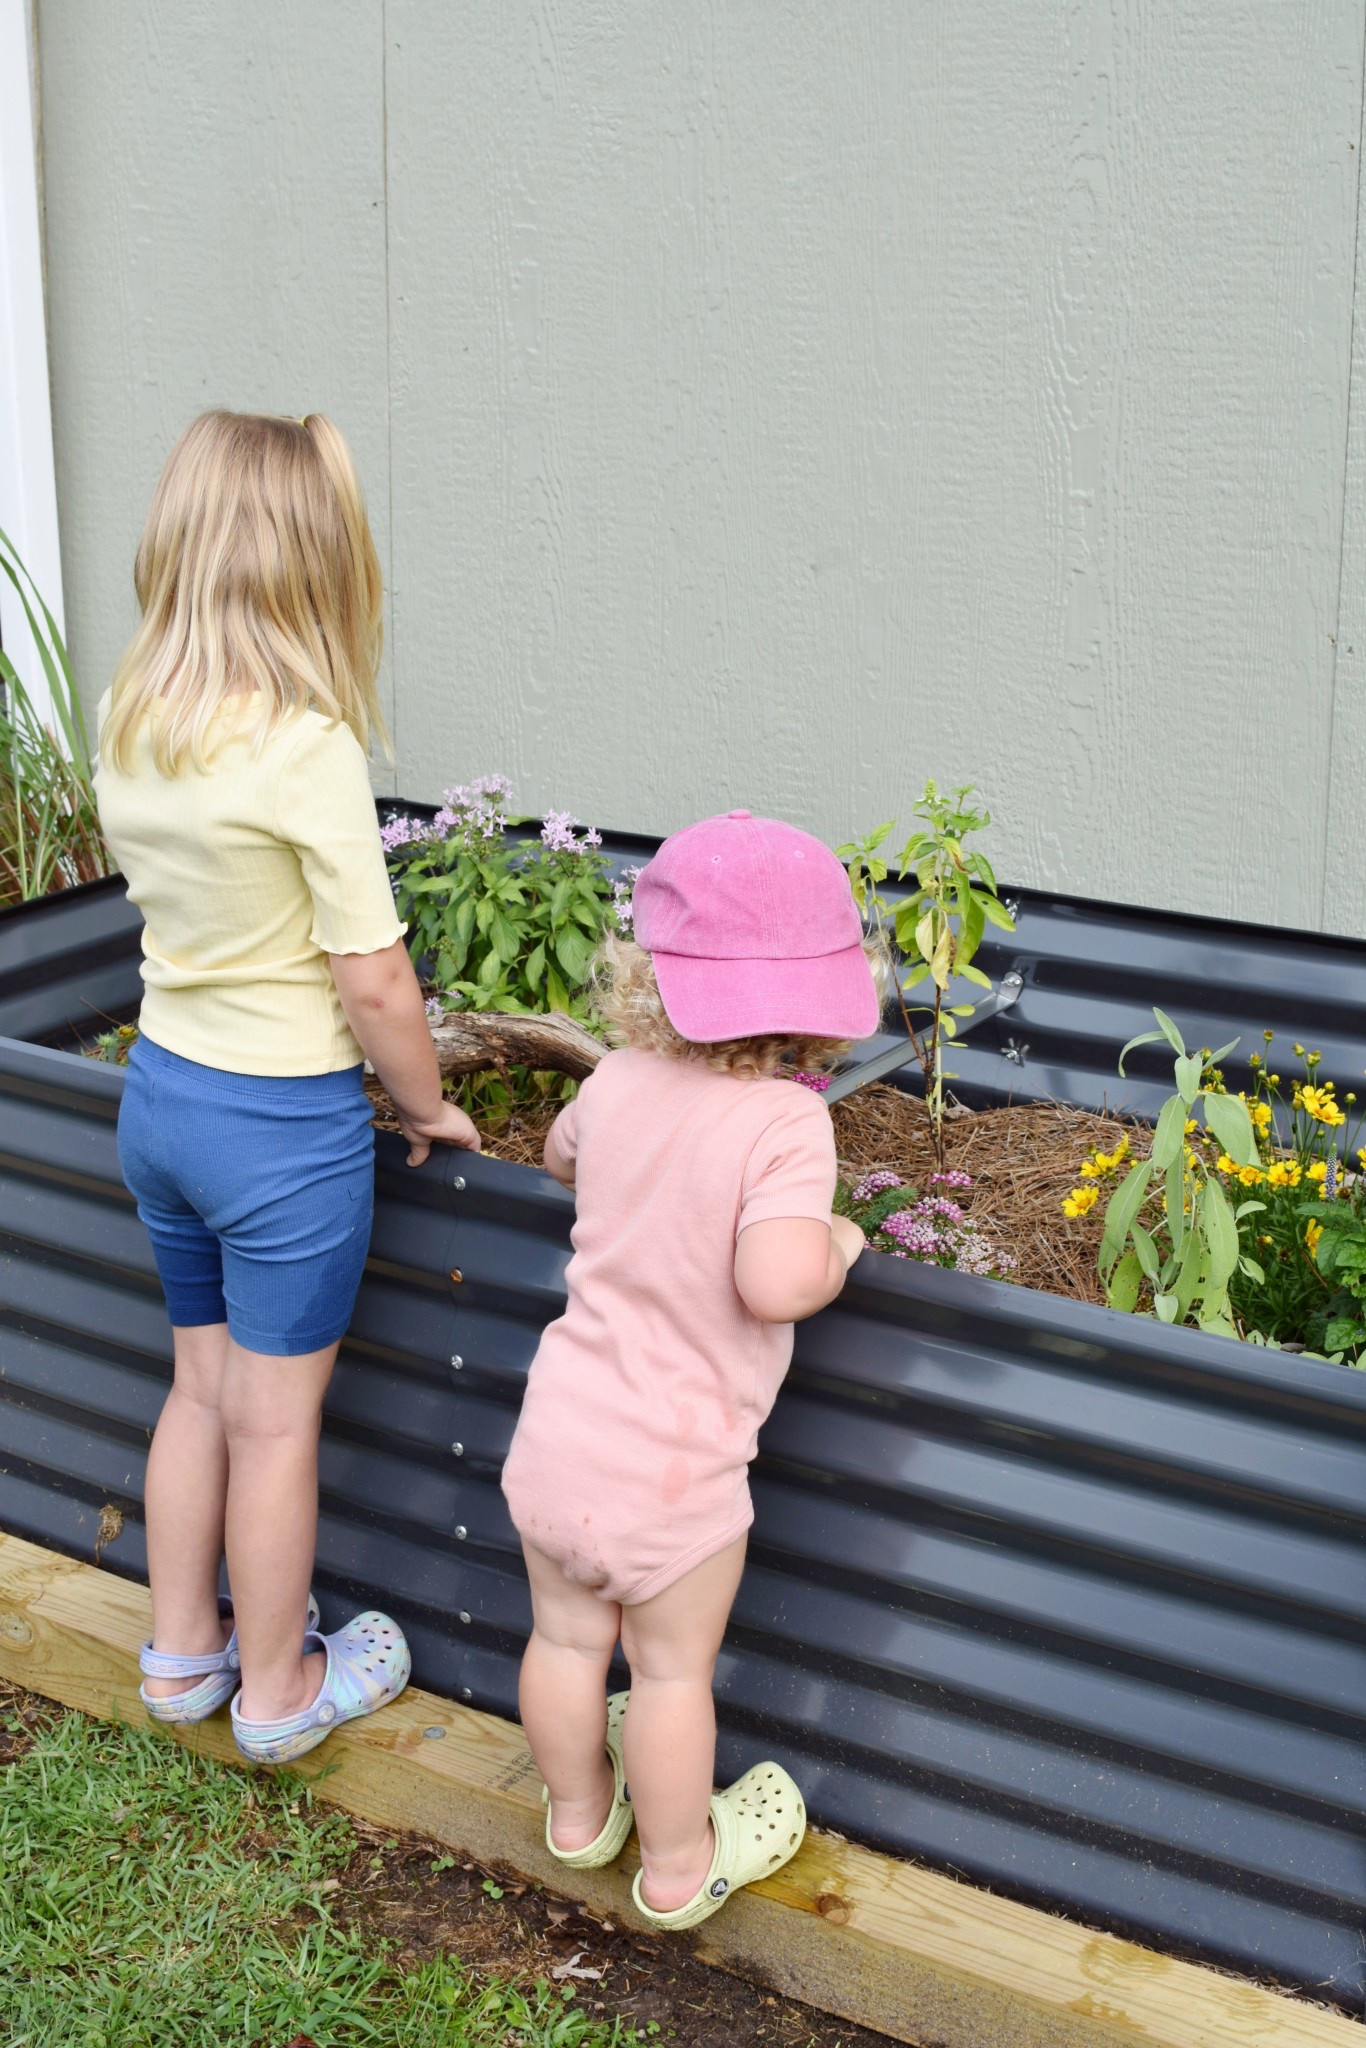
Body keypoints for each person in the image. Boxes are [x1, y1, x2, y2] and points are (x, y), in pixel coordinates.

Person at [96, 410, 479, 1765]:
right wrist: (425, 1106)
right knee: (274, 1422)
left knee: (198, 1387)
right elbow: (373, 977)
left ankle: (180, 1653)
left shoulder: (136, 720)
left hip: (162, 1097)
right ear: (318, 563)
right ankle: (276, 1688)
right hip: (278, 1130)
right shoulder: (305, 747)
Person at [501, 808, 881, 1927]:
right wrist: (839, 1243)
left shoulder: (616, 1076)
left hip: (557, 1440)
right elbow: (774, 1281)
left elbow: (561, 1154)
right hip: (673, 1481)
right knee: (668, 1676)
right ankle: (677, 1867)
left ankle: (580, 1815)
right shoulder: (784, 1125)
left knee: (565, 1641)